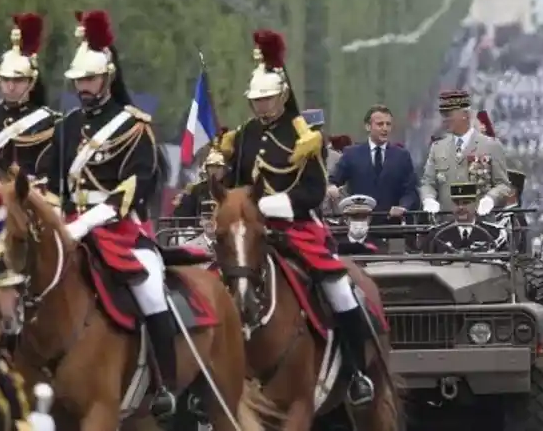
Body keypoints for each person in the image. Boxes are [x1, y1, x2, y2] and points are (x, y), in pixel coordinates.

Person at [218, 29, 375, 406]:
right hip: (251, 232)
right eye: (256, 100)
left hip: (296, 227)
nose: (261, 106)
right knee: (211, 281)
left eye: (267, 98)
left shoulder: (303, 136)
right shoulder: (243, 136)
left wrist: (269, 207)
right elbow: (237, 183)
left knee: (339, 290)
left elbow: (314, 192)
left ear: (282, 96)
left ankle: (358, 372)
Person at [38, 11, 174, 417]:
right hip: (70, 225)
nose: (83, 87)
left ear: (108, 77)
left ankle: (165, 383)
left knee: (151, 289)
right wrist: (56, 217)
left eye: (90, 79)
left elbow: (134, 187)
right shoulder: (67, 127)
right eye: (78, 80)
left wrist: (88, 221)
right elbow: (54, 184)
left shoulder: (135, 128)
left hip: (120, 228)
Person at [420, 89, 512, 217]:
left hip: (481, 225)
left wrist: (490, 198)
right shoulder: (437, 147)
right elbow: (428, 183)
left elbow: (503, 185)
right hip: (446, 226)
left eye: (449, 115)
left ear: (465, 115)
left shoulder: (490, 146)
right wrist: (428, 199)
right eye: (444, 115)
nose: (445, 120)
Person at [328, 105, 418, 234]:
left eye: (388, 124)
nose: (385, 128)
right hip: (358, 226)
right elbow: (334, 180)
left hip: (391, 227)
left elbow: (411, 190)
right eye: (380, 124)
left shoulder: (402, 156)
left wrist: (403, 207)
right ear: (368, 126)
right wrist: (332, 187)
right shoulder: (351, 154)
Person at [0, 14, 58, 176]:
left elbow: (47, 174)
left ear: (32, 81)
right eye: (5, 79)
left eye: (18, 80)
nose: (10, 86)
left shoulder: (47, 122)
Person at [425, 183, 505, 253]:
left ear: (476, 205)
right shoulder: (437, 235)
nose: (461, 207)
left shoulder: (494, 234)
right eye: (456, 203)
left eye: (466, 203)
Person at [172, 136, 226, 220]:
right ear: (207, 169)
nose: (215, 170)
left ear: (224, 170)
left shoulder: (230, 189)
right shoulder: (197, 189)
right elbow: (185, 215)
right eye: (212, 167)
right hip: (199, 229)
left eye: (218, 167)